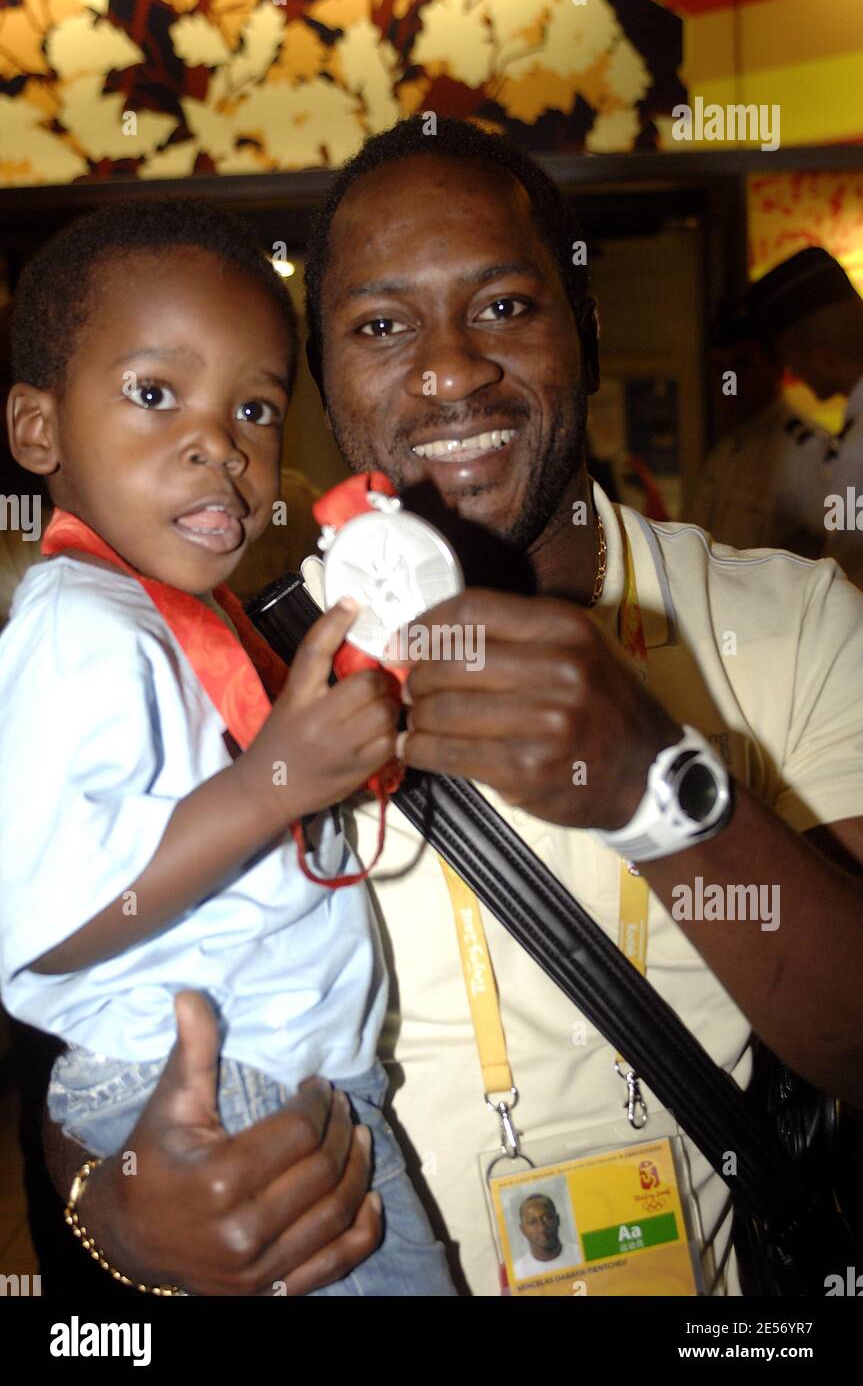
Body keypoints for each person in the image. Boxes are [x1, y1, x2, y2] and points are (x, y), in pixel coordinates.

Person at [29, 118, 863, 1300]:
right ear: (322, 382)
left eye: (506, 307)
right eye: (380, 326)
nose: (449, 368)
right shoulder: (221, 672)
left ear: (586, 326)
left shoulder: (787, 624)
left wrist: (661, 793)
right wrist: (117, 1209)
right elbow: (110, 1040)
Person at [0, 200, 456, 1296]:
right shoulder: (81, 628)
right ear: (38, 431)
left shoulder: (161, 618)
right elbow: (49, 920)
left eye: (255, 407)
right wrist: (278, 781)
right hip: (231, 1087)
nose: (220, 441)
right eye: (154, 394)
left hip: (281, 1082)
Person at [746, 246, 863, 586]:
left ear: (822, 358)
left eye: (791, 360)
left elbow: (851, 588)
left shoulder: (856, 451)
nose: (792, 375)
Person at [683, 304, 828, 554]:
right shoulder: (726, 451)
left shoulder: (807, 452)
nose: (730, 381)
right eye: (720, 368)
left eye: (742, 365)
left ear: (776, 367)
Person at [512, 1195, 581, 1281]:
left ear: (557, 1220)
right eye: (532, 1222)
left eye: (547, 1218)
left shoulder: (580, 1254)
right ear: (523, 1230)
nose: (542, 1227)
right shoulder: (518, 1273)